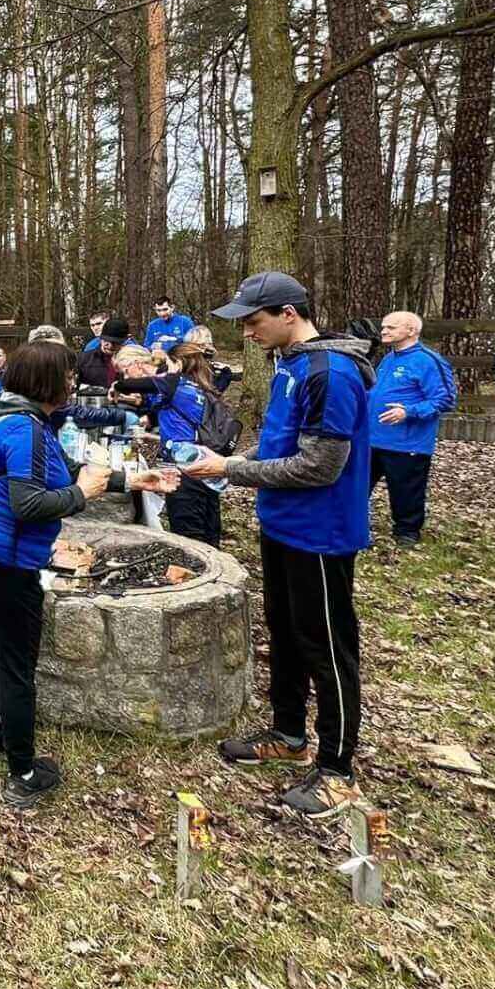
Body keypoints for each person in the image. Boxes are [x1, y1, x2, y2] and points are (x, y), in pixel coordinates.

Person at [179, 273, 375, 820]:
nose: (246, 331)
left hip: (321, 532)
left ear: (289, 313)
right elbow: (286, 445)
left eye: (253, 320)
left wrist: (232, 468)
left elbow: (320, 464)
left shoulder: (329, 372)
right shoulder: (289, 365)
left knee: (327, 646)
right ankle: (289, 732)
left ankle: (337, 769)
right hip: (282, 524)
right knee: (285, 633)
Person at [0, 341, 176, 806]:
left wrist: (129, 480)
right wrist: (82, 495)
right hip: (3, 560)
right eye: (68, 377)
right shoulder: (24, 429)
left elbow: (62, 470)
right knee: (17, 662)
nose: (73, 384)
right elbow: (31, 504)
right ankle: (22, 772)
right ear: (47, 382)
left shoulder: (20, 418)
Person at [113, 342, 228, 546]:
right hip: (205, 462)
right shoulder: (189, 384)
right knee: (209, 526)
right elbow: (165, 412)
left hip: (188, 465)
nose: (126, 376)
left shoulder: (174, 383)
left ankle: (200, 572)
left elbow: (136, 385)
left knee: (188, 534)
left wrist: (117, 386)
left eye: (125, 371)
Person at [366, 312, 455, 548]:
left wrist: (410, 411)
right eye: (383, 327)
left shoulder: (428, 361)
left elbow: (445, 399)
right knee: (358, 484)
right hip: (372, 439)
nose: (384, 331)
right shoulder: (388, 359)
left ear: (411, 330)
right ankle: (354, 523)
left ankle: (407, 532)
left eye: (391, 327)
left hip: (407, 442)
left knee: (406, 490)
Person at [75, 318, 130, 390]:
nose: (110, 345)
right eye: (106, 340)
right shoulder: (84, 360)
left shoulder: (133, 362)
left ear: (126, 340)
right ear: (100, 338)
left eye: (115, 342)